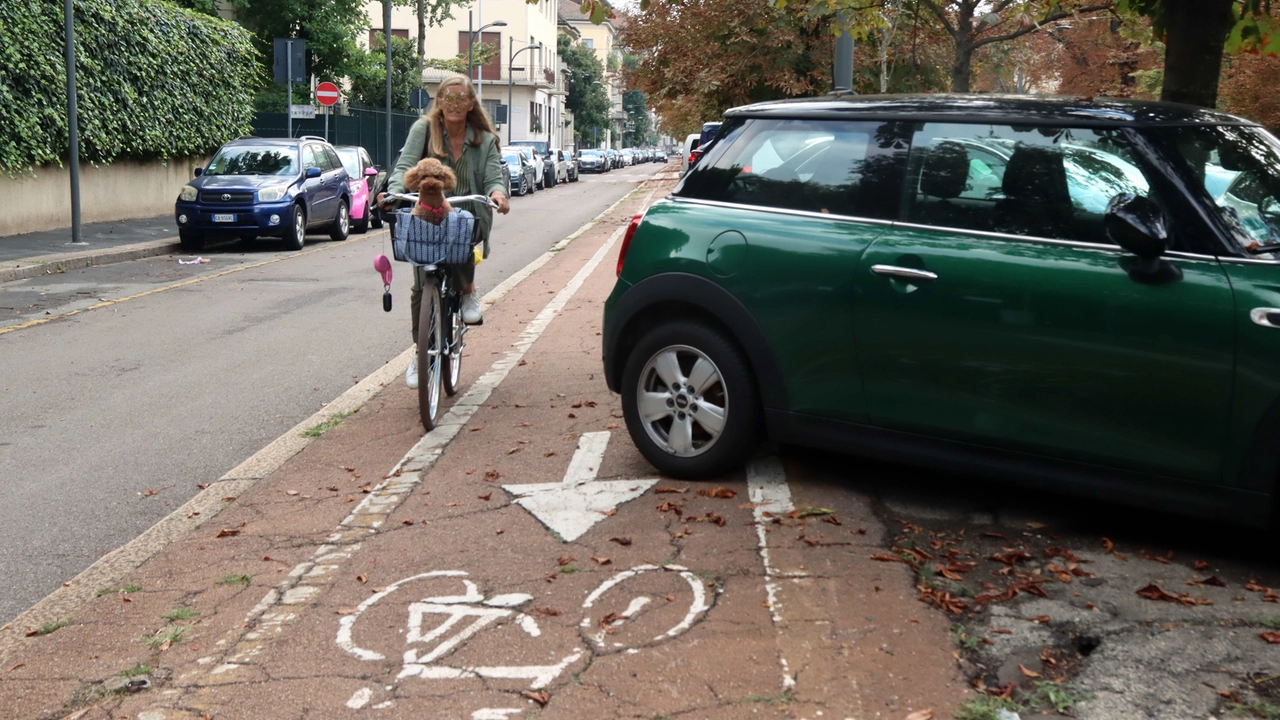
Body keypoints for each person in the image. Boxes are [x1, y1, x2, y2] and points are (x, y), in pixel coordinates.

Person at [380, 74, 510, 389]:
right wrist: (394, 192)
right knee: (420, 280)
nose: (453, 104)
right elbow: (404, 167)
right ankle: (421, 352)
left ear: (469, 103)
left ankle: (467, 291)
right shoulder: (423, 129)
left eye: (460, 98)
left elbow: (493, 175)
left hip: (468, 210)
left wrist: (497, 194)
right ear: (439, 101)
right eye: (447, 98)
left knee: (461, 225)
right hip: (426, 211)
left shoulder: (484, 139)